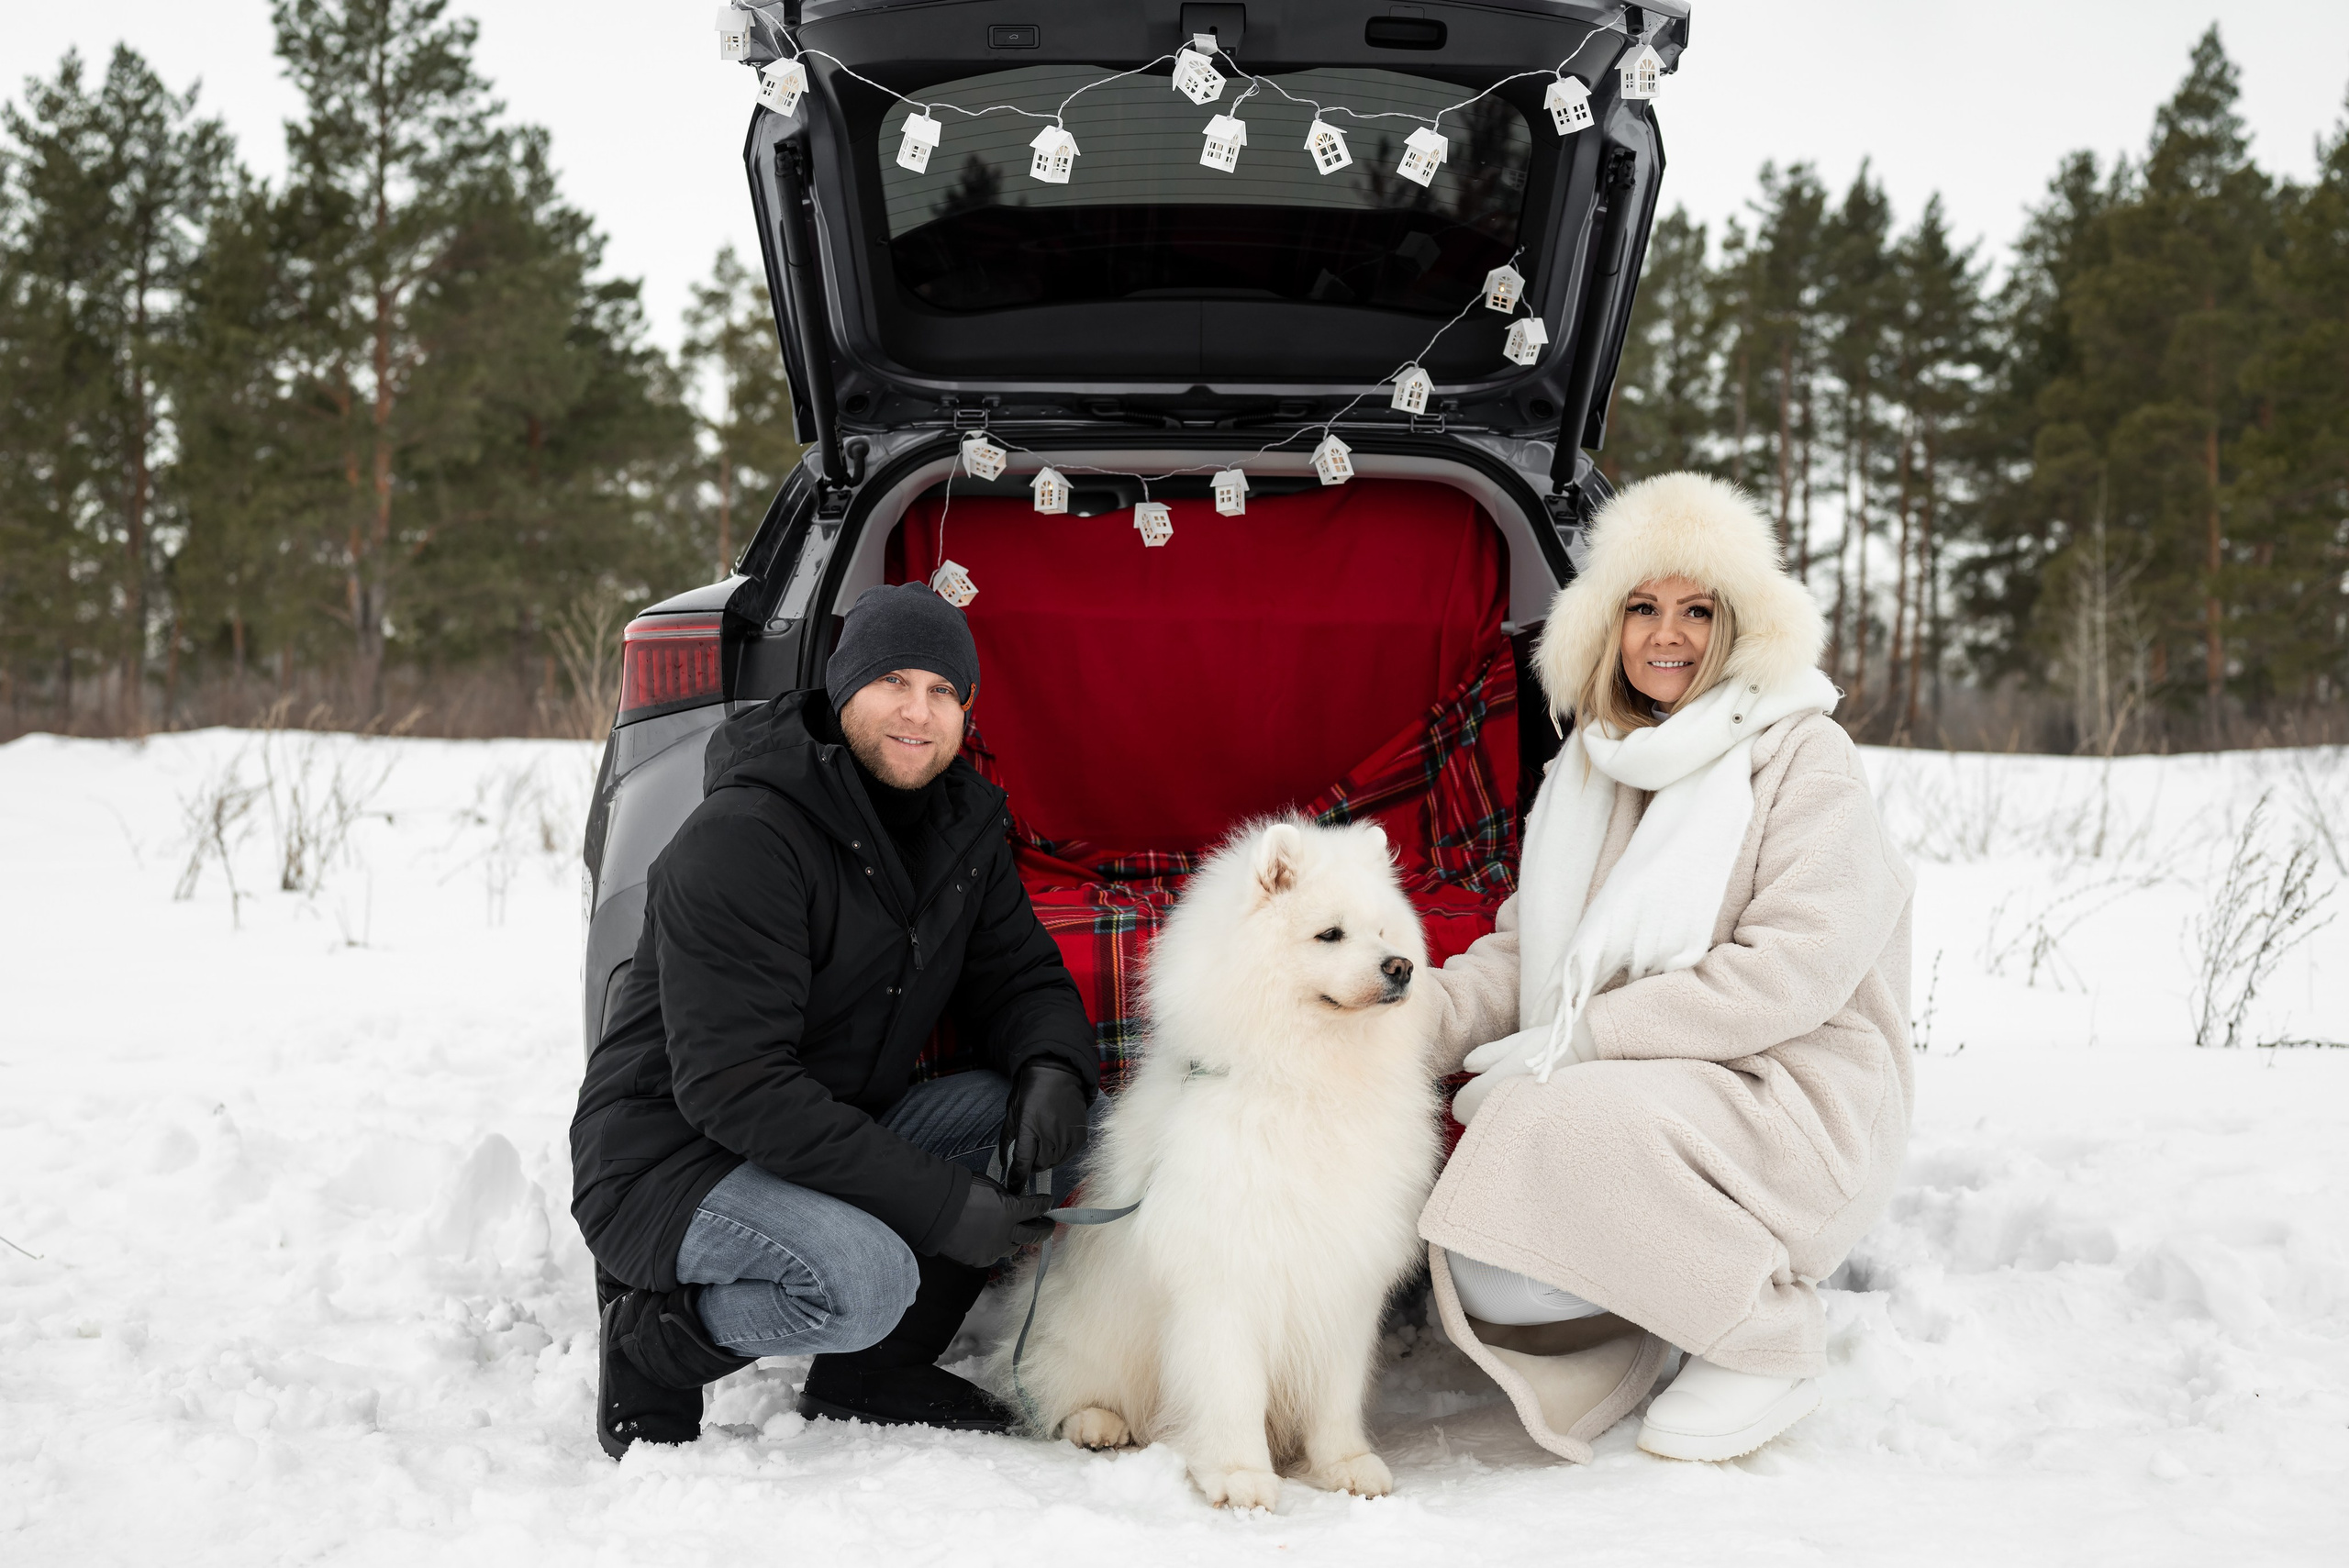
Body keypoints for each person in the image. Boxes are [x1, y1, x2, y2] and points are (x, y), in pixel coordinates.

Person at [1416, 472, 1915, 1464]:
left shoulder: (1801, 753)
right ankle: (1660, 1300)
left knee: (1541, 1118)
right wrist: (1401, 1023)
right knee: (1482, 1238)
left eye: (1698, 609)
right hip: (1647, 1086)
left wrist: (1591, 1036)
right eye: (1641, 607)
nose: (1667, 635)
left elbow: (1792, 970)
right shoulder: (1593, 766)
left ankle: (1764, 1338)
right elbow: (1526, 952)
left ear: (1742, 626)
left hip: (1792, 1092)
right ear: (1605, 625)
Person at [571, 583, 1099, 1458]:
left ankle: (875, 1372)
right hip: (670, 1160)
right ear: (842, 688)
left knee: (1072, 1124)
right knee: (864, 1278)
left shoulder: (959, 825)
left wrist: (1052, 1066)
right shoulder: (745, 835)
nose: (918, 712)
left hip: (825, 1125)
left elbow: (1018, 973)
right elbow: (736, 1089)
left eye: (943, 691)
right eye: (894, 680)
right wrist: (943, 1206)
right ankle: (653, 1338)